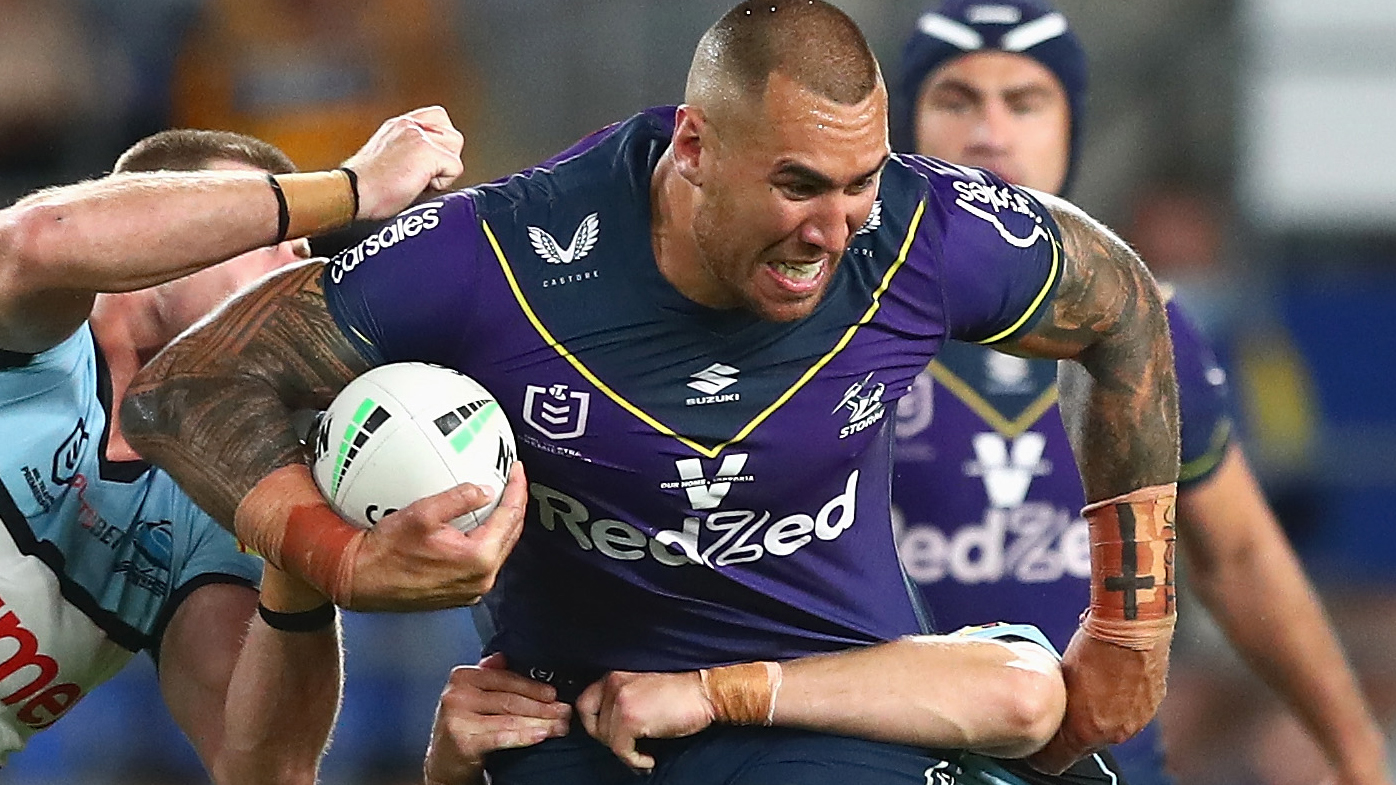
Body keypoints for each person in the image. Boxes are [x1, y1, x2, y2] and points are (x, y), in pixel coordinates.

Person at [124, 2, 1182, 782]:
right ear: (694, 146)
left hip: (830, 712)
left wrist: (1130, 627)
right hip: (570, 727)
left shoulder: (918, 230)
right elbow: (186, 389)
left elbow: (1122, 306)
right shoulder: (504, 254)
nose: (832, 232)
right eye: (797, 186)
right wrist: (342, 557)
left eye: (858, 183)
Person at [892, 2, 1392, 784]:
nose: (990, 132)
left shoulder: (1149, 324)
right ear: (905, 128)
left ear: (1071, 130)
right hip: (899, 762)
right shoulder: (838, 325)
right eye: (957, 100)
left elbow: (1241, 557)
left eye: (1024, 102)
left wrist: (1356, 751)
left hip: (1111, 769)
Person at [0, 107, 486, 775]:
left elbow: (263, 768)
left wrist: (304, 540)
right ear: (166, 235)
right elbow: (39, 239)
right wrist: (351, 188)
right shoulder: (34, 344)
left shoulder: (207, 517)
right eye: (276, 237)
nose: (301, 269)